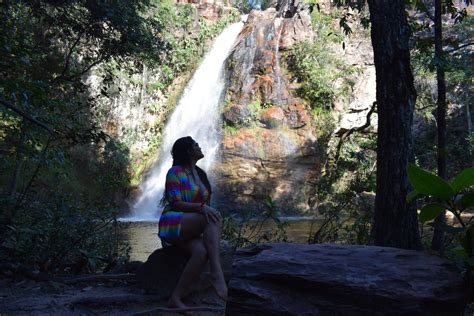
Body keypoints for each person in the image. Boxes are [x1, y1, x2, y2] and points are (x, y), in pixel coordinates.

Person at [158, 136, 227, 309]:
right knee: (209, 215)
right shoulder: (174, 172)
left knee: (202, 252)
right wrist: (200, 208)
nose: (200, 146)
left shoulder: (201, 174)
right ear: (188, 151)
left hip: (190, 227)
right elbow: (175, 203)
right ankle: (217, 273)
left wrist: (207, 229)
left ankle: (175, 298)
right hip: (172, 222)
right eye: (196, 144)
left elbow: (207, 208)